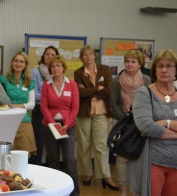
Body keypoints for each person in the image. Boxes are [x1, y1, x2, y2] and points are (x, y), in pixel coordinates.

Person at [130, 49, 177, 196]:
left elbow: (155, 127)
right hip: (153, 162)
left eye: (169, 66)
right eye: (160, 66)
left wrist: (166, 122)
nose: (164, 70)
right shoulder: (144, 93)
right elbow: (146, 127)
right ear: (154, 70)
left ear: (176, 70)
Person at [73, 45, 119, 190]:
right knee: (84, 146)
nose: (88, 57)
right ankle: (87, 173)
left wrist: (89, 91)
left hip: (102, 112)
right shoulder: (78, 73)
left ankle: (106, 176)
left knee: (101, 146)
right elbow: (80, 94)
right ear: (81, 58)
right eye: (85, 55)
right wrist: (98, 88)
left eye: (90, 54)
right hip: (84, 113)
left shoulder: (105, 69)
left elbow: (108, 90)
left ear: (94, 56)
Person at [110, 49, 151, 195]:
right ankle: (123, 190)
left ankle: (136, 189)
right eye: (127, 61)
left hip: (141, 123)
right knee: (122, 157)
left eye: (133, 62)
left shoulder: (146, 80)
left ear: (139, 64)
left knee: (139, 155)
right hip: (122, 122)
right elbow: (113, 103)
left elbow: (149, 101)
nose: (129, 64)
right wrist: (125, 120)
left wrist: (141, 120)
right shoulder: (117, 80)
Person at [40, 55, 79, 195]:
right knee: (53, 159)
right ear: (50, 69)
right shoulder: (46, 85)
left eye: (58, 65)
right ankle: (56, 191)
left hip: (68, 126)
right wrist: (52, 124)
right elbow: (44, 107)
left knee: (69, 159)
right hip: (50, 126)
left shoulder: (72, 84)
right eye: (53, 66)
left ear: (63, 67)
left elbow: (75, 107)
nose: (56, 68)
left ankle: (74, 192)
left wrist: (67, 124)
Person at [0, 51, 37, 160]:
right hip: (7, 121)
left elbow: (32, 104)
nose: (18, 64)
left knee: (23, 156)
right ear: (12, 63)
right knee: (6, 155)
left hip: (24, 122)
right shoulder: (3, 80)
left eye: (21, 62)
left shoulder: (29, 82)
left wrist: (16, 106)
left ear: (25, 65)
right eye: (16, 61)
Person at [30, 46, 59, 166]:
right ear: (43, 56)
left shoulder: (58, 73)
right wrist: (51, 97)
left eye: (53, 55)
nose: (50, 56)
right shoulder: (35, 72)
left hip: (55, 113)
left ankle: (52, 173)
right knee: (39, 144)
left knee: (53, 146)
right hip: (39, 112)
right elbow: (34, 95)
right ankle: (35, 172)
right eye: (47, 54)